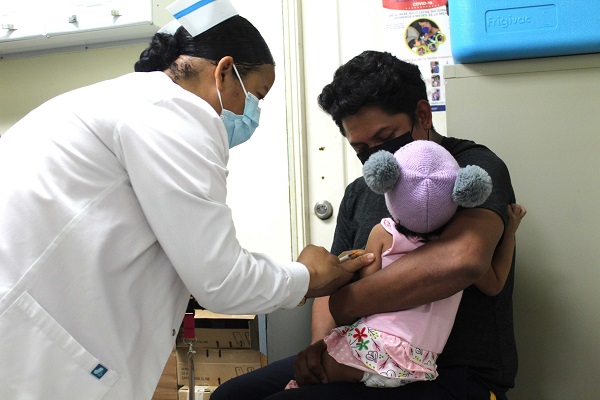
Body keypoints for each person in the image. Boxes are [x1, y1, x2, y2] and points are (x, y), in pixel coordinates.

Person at [0, 2, 370, 399]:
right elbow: (223, 282)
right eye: (257, 95)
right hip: (36, 346)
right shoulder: (178, 114)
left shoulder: (122, 103)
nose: (253, 112)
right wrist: (307, 276)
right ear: (224, 71)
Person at [212, 51, 519, 400]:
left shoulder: (471, 167)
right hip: (362, 354)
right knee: (230, 396)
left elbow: (463, 260)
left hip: (451, 373)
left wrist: (348, 302)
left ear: (422, 114)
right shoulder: (362, 191)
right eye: (361, 148)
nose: (378, 156)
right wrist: (320, 350)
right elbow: (333, 280)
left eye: (385, 137)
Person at [285, 141, 525, 389]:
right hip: (416, 362)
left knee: (307, 385)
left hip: (368, 347)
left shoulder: (383, 233)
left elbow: (367, 289)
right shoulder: (458, 247)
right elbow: (495, 284)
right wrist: (509, 233)